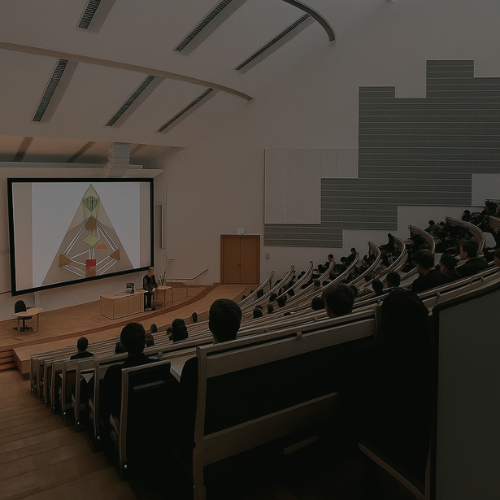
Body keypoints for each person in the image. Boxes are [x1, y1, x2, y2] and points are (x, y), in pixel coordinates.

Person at [177, 299, 242, 452]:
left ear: (209, 326)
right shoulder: (249, 355)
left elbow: (183, 415)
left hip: (202, 446)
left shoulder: (193, 367)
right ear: (238, 325)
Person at [101, 323, 154, 426]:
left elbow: (105, 407)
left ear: (124, 346)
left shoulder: (113, 372)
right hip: (156, 420)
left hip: (129, 424)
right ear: (144, 343)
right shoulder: (159, 365)